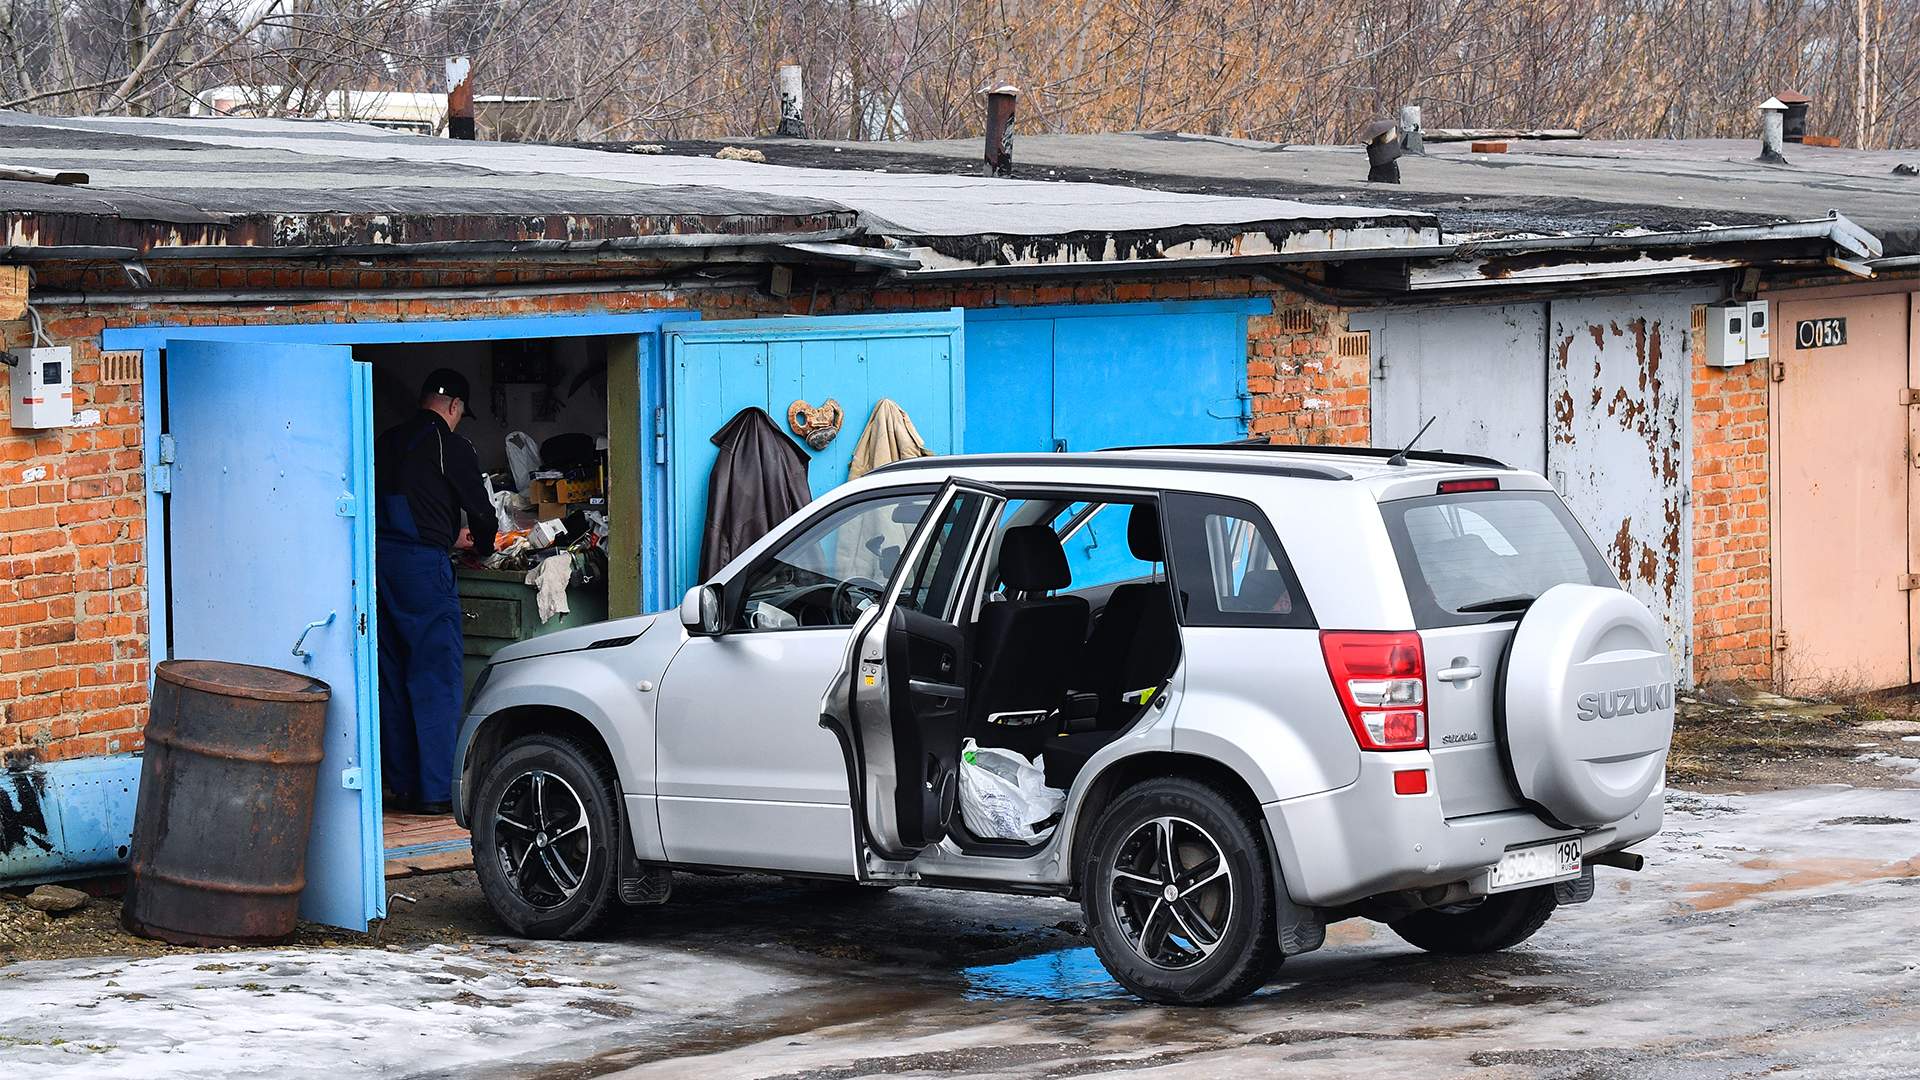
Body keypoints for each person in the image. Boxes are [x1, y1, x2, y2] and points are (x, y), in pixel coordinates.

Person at [375, 369, 496, 815]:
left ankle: (403, 786)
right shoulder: (452, 444)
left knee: (393, 675)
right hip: (423, 569)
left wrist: (442, 533)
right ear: (453, 407)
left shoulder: (386, 440)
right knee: (435, 677)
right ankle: (437, 792)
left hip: (379, 565)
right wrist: (479, 547)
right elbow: (482, 514)